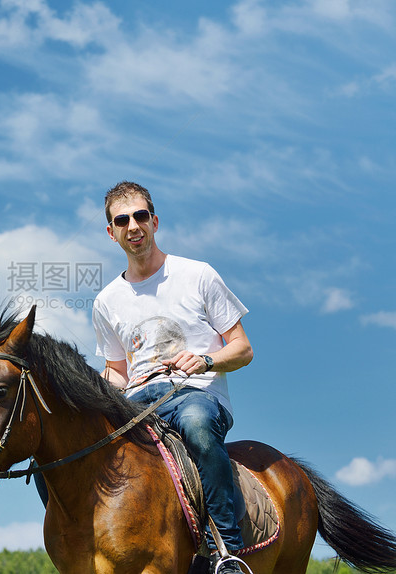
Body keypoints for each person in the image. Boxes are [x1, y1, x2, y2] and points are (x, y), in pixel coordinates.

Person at [92, 181, 253, 574]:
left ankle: (228, 553)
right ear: (110, 232)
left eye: (141, 216)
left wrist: (206, 360)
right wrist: (90, 396)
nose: (133, 225)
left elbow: (243, 349)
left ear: (155, 221)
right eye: (122, 219)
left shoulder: (197, 274)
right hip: (137, 401)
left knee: (198, 426)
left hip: (194, 393)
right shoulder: (106, 301)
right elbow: (117, 372)